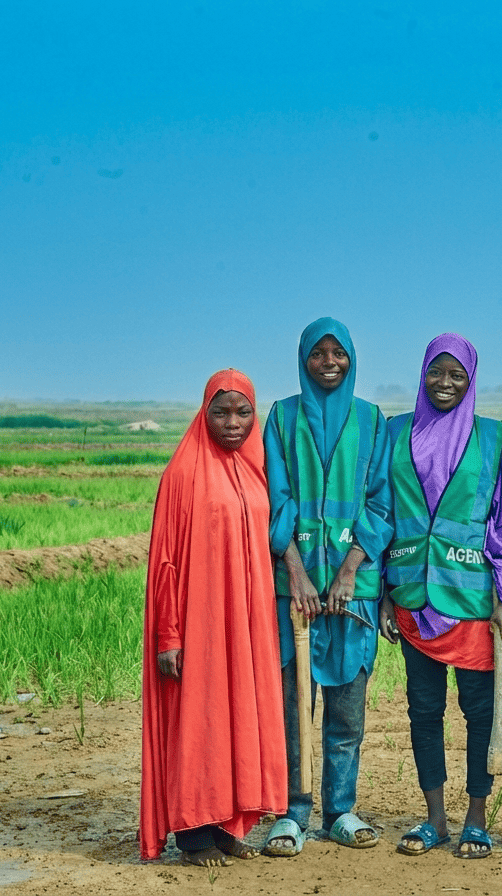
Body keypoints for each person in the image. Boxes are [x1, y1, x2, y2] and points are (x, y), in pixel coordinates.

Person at [378, 334, 502, 860]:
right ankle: (435, 818)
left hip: (472, 603)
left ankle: (477, 819)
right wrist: (380, 597)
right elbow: (380, 517)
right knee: (423, 710)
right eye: (435, 373)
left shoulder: (493, 437)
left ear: (471, 380)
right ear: (422, 375)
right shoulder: (395, 432)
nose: (445, 383)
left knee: (480, 712)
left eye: (456, 375)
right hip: (413, 598)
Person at [139, 369, 287, 867]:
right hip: (200, 624)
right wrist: (169, 634)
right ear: (203, 414)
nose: (232, 423)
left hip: (245, 623)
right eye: (220, 412)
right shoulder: (183, 474)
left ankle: (225, 824)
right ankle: (194, 836)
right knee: (201, 720)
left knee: (239, 715)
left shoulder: (254, 468)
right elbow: (165, 561)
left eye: (243, 412)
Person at [261, 318, 393, 856]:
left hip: (351, 593)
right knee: (295, 705)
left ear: (353, 358)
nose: (330, 362)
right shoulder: (281, 417)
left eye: (339, 353)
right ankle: (292, 811)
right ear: (303, 359)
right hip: (293, 591)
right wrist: (294, 568)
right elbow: (276, 497)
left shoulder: (371, 421)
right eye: (319, 353)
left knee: (347, 709)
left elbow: (381, 504)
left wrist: (347, 571)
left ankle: (340, 809)